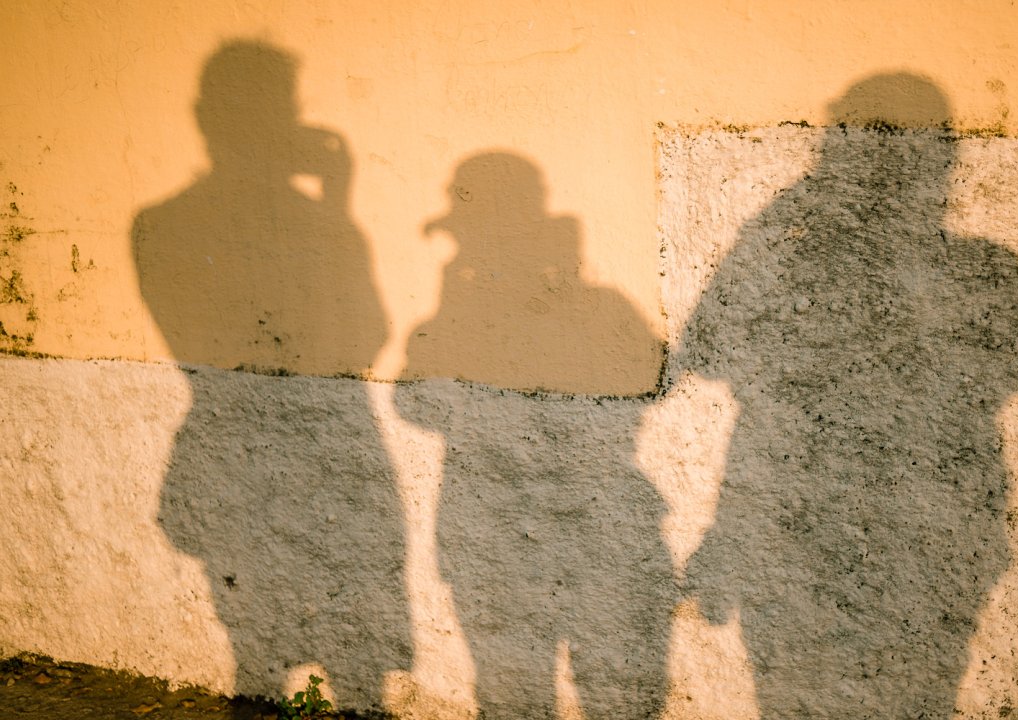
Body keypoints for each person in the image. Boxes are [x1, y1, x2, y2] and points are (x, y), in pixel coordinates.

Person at [675, 73, 1018, 717]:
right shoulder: (794, 249)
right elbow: (709, 351)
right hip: (803, 532)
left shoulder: (977, 268)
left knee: (897, 700)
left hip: (916, 535)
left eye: (858, 145)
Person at [132, 40, 411, 708]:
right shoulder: (320, 222)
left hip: (220, 438)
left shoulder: (156, 224)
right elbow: (369, 335)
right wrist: (338, 202)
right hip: (330, 432)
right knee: (353, 655)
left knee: (250, 652)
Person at [395, 152, 672, 719]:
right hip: (504, 515)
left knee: (588, 683)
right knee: (521, 682)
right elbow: (410, 398)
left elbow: (412, 399)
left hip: (574, 514)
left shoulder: (585, 301)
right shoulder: (467, 294)